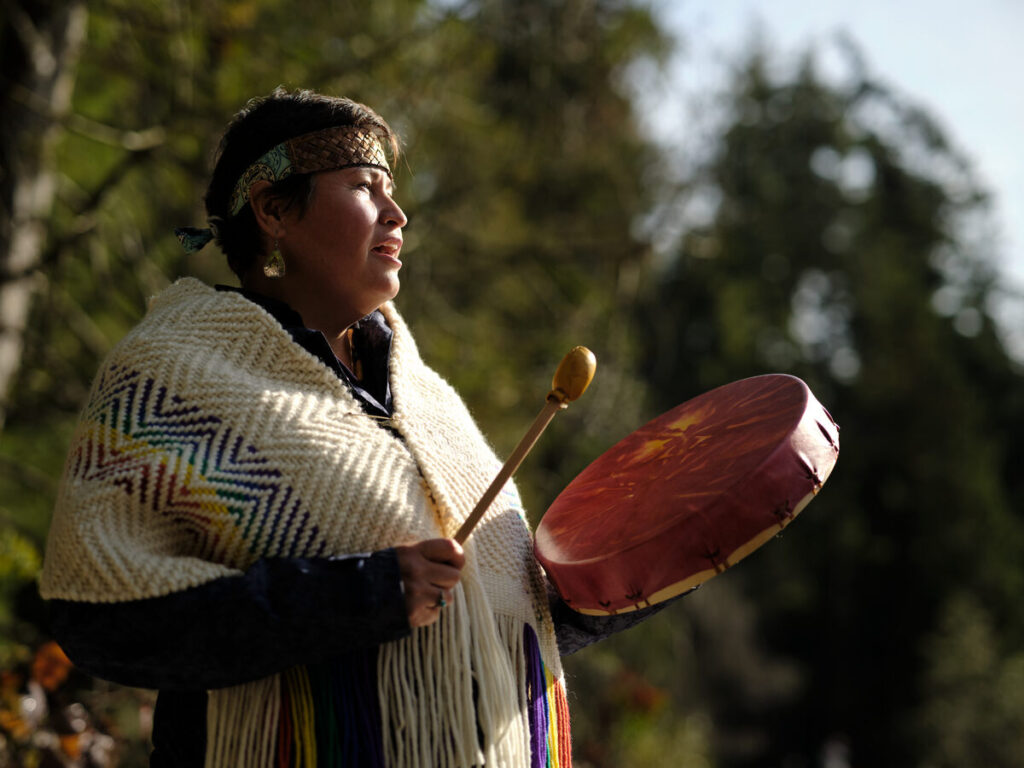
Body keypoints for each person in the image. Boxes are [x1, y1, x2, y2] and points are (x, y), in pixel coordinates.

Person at [39, 88, 670, 767]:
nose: (397, 214)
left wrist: (633, 575)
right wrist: (361, 593)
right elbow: (101, 615)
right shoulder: (170, 375)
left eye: (391, 190)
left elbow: (486, 628)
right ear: (274, 209)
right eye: (366, 187)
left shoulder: (429, 403)